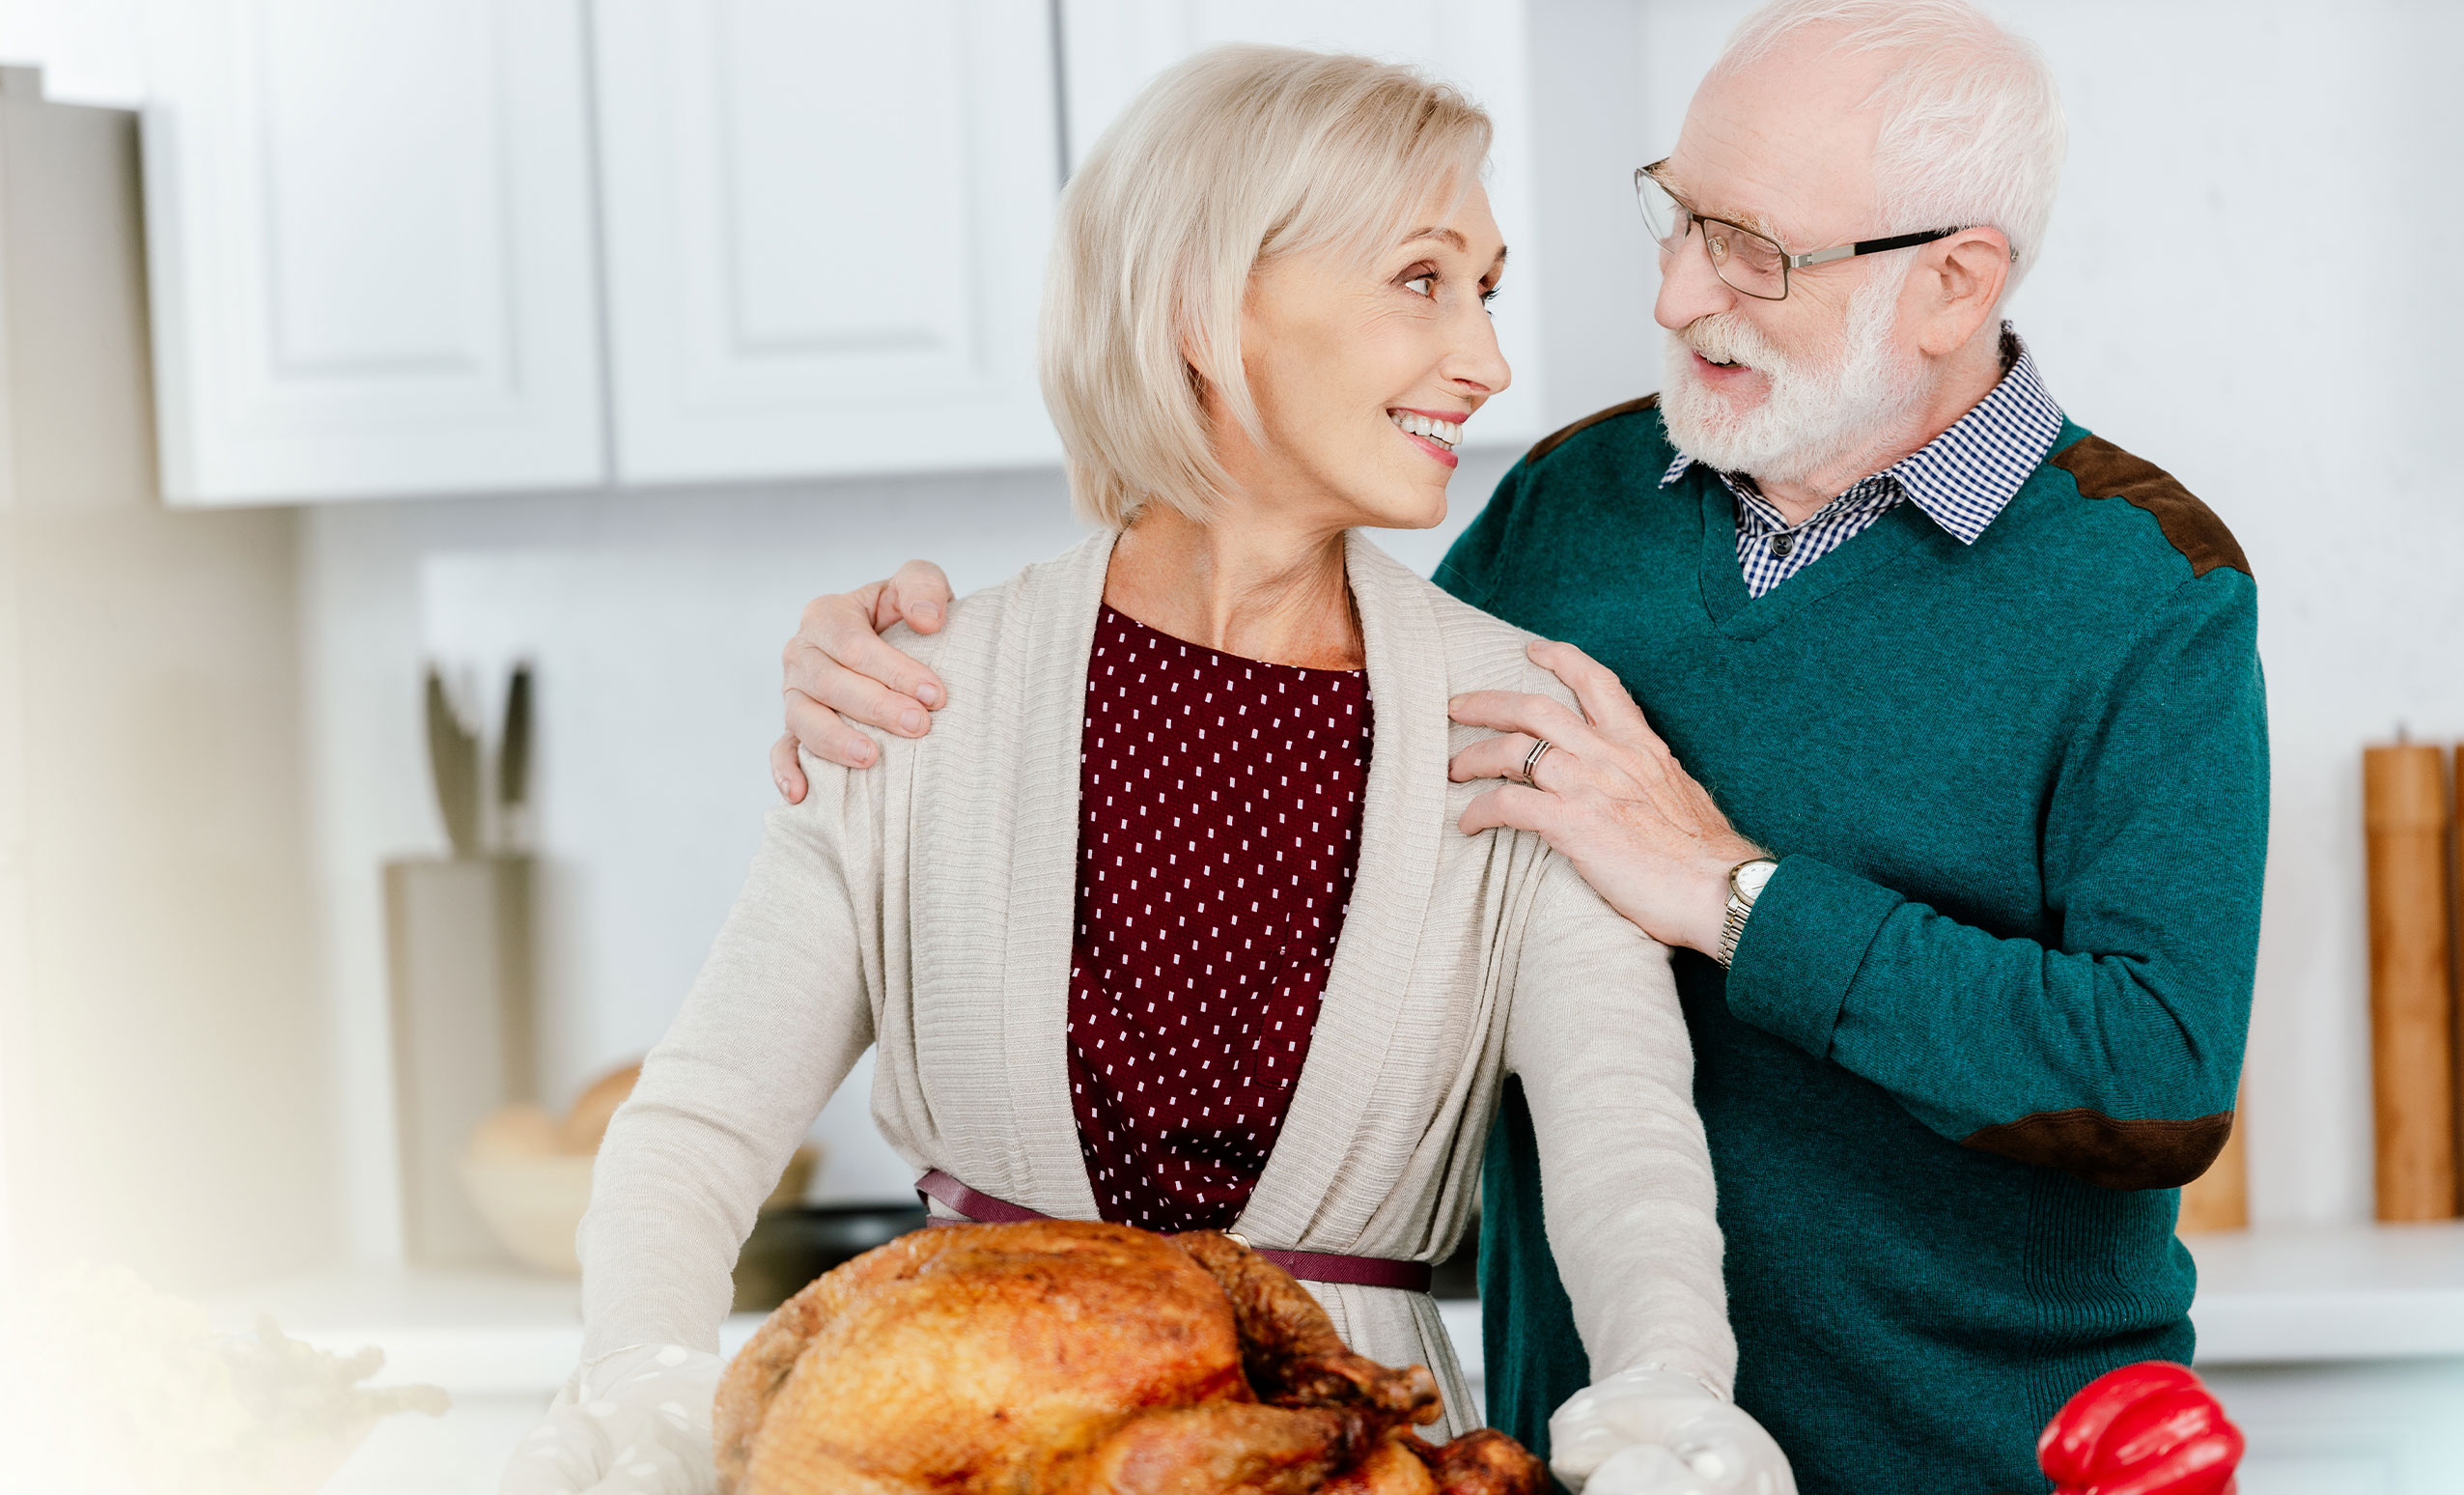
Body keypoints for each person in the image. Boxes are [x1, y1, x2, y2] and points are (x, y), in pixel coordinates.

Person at [767, 4, 2270, 1493]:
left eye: (1754, 251)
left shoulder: (2147, 591)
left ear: (1954, 284)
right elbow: (1309, 767)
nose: (1680, 294)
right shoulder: (1572, 507)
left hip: (1983, 1466)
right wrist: (922, 667)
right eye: (1675, 217)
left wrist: (1736, 895)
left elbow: (2156, 1076)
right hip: (1600, 1458)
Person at [504, 44, 1792, 1495]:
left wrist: (1668, 1401)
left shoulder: (1521, 720)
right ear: (1203, 301)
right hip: (969, 1437)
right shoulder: (921, 687)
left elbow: (1628, 1160)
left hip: (1341, 1457)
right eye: (1423, 280)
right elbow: (696, 1124)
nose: (1485, 360)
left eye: (1483, 293)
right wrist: (639, 1394)